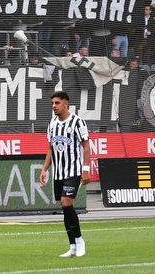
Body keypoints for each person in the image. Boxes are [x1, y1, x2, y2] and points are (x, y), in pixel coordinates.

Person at [40, 91, 91, 258]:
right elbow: (50, 148)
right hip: (58, 173)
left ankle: (80, 240)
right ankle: (72, 246)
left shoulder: (77, 122)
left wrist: (86, 169)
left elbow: (86, 146)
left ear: (65, 104)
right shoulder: (53, 123)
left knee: (66, 203)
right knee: (64, 206)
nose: (53, 106)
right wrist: (44, 169)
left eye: (56, 103)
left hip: (73, 171)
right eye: (52, 103)